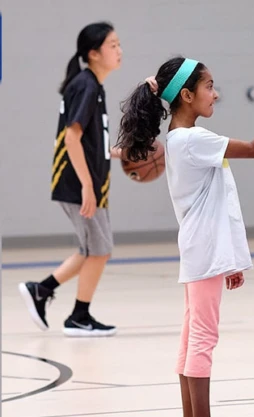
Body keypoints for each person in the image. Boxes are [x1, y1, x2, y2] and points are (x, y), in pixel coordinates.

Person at [117, 56, 254, 417]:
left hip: (202, 251)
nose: (215, 94)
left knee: (191, 338)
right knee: (203, 339)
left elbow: (217, 200)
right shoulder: (192, 139)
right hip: (204, 252)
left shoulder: (178, 138)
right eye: (209, 87)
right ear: (187, 96)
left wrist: (231, 258)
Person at [19, 21, 123, 337]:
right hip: (80, 183)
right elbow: (71, 138)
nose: (120, 51)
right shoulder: (87, 85)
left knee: (91, 248)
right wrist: (88, 187)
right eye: (113, 45)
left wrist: (119, 153)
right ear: (93, 53)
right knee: (99, 250)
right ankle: (79, 316)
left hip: (88, 181)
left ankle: (42, 289)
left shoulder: (91, 85)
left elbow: (89, 141)